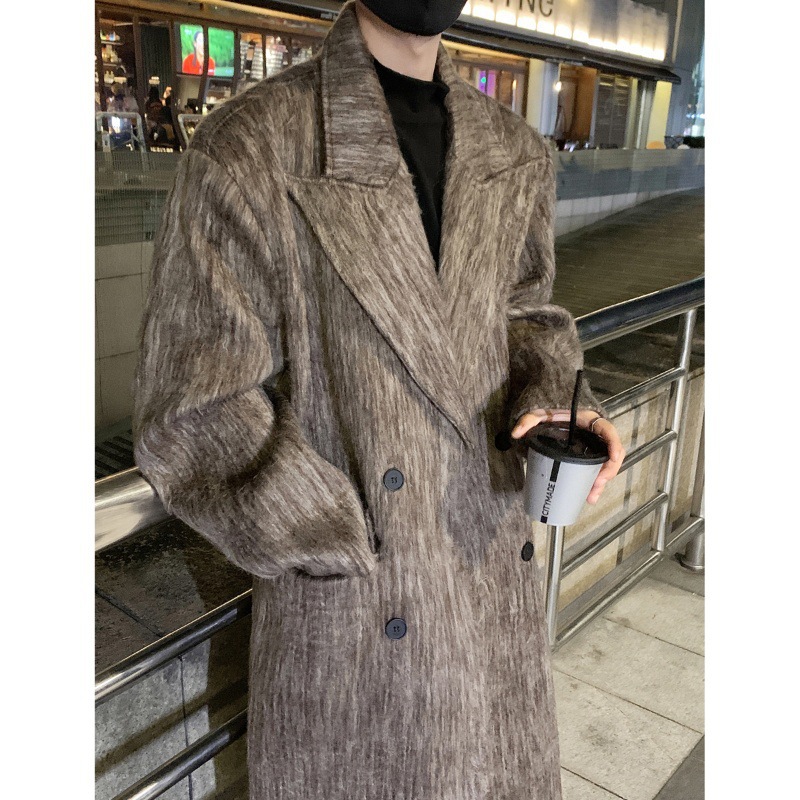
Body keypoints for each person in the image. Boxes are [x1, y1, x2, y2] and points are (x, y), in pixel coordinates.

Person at [132, 2, 624, 798]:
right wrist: (343, 538)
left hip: (493, 588)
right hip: (359, 627)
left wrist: (556, 400)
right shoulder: (253, 146)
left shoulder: (513, 149)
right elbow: (193, 406)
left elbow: (526, 313)